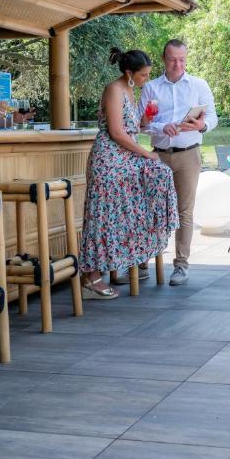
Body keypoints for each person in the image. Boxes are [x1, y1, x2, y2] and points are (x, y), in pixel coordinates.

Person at [79, 48, 179, 299]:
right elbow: (116, 132)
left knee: (157, 178)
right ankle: (91, 278)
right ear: (128, 73)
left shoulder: (131, 90)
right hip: (109, 161)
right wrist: (147, 154)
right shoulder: (114, 89)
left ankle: (134, 250)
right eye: (143, 75)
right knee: (102, 217)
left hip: (124, 159)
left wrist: (145, 119)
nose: (147, 79)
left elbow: (133, 127)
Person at [139, 39, 217, 286]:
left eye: (182, 59)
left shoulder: (198, 85)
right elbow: (142, 124)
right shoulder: (151, 88)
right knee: (152, 208)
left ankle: (181, 266)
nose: (178, 64)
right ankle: (142, 263)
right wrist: (164, 126)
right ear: (164, 58)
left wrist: (202, 125)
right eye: (173, 59)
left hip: (188, 154)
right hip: (159, 154)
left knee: (185, 210)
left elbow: (213, 116)